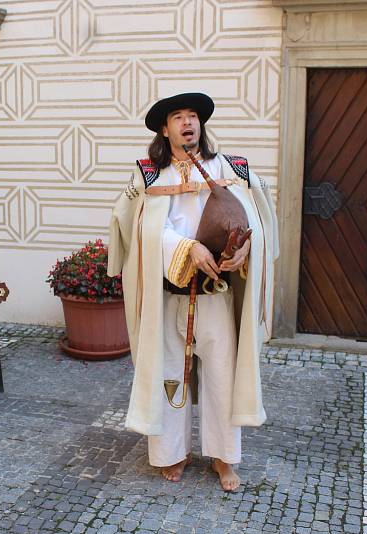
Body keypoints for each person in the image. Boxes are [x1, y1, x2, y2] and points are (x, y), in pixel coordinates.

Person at [107, 92, 279, 491]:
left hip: (215, 295)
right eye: (178, 118)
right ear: (164, 129)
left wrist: (246, 251)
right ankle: (173, 453)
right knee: (171, 376)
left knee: (221, 377)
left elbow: (260, 219)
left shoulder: (232, 168)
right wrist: (185, 247)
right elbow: (133, 229)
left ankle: (223, 459)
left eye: (193, 117)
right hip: (170, 297)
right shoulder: (148, 176)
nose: (188, 123)